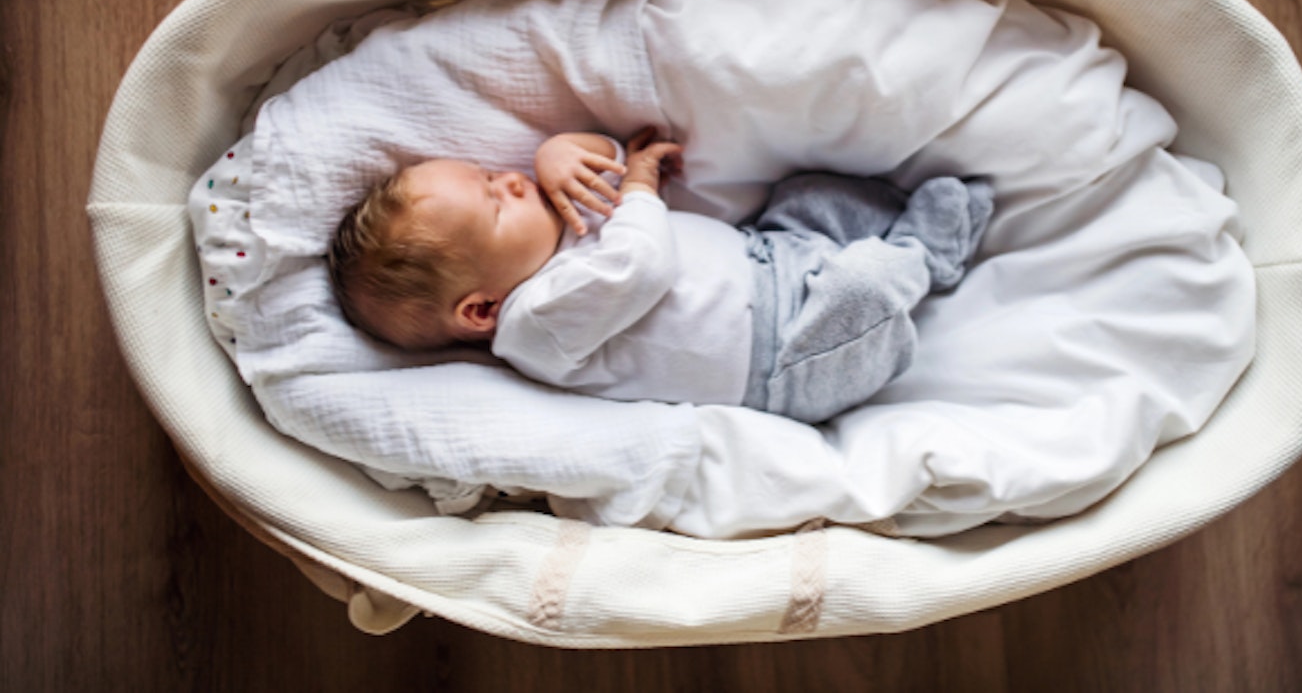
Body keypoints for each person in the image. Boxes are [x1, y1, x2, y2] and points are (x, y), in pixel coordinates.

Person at [327, 129, 993, 423]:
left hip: (773, 252)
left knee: (809, 192)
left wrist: (561, 153)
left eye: (488, 176)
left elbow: (610, 164)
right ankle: (924, 254)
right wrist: (640, 183)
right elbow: (642, 263)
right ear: (479, 310)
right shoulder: (534, 327)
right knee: (864, 292)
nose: (508, 180)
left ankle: (902, 232)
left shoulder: (559, 231)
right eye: (494, 203)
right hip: (792, 359)